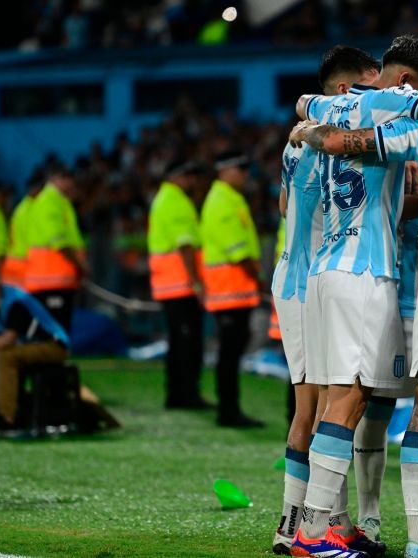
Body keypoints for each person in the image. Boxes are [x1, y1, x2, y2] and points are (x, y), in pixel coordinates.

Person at [287, 35, 418, 558]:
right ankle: (314, 533)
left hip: (323, 268)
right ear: (406, 84)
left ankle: (325, 527)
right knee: (351, 397)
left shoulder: (329, 104)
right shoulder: (386, 100)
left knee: (336, 400)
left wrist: (310, 124)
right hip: (363, 271)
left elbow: (301, 105)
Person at [271, 44, 376, 556]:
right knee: (321, 405)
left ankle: (318, 523)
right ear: (343, 90)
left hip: (293, 272)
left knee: (318, 403)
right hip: (315, 278)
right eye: (368, 87)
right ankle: (300, 529)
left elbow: (286, 204)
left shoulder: (294, 144)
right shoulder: (329, 140)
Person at [199, 150, 264, 428]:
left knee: (232, 352)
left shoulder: (229, 198)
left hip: (235, 289)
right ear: (223, 171)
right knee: (229, 353)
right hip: (229, 289)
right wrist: (257, 277)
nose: (244, 174)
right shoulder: (222, 201)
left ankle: (230, 408)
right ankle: (228, 411)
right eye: (240, 169)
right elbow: (238, 251)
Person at [0, 260, 70, 433]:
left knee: (6, 356)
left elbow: (9, 339)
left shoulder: (15, 299)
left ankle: (7, 419)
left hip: (53, 345)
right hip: (23, 346)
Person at [147, 159, 209, 410]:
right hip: (180, 284)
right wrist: (196, 282)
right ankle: (185, 395)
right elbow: (185, 245)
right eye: (188, 175)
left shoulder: (164, 199)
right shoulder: (175, 202)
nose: (192, 181)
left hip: (169, 283)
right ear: (176, 177)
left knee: (178, 343)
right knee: (187, 344)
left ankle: (177, 394)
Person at [25, 166, 88, 331]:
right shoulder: (49, 202)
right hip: (50, 279)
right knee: (53, 328)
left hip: (59, 278)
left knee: (60, 326)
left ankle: (57, 356)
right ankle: (51, 357)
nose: (71, 183)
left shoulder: (60, 201)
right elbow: (59, 242)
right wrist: (80, 265)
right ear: (55, 179)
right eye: (67, 179)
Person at [2, 171, 44, 287]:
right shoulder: (32, 210)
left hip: (14, 262)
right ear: (38, 189)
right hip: (23, 264)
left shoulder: (21, 208)